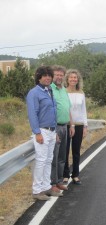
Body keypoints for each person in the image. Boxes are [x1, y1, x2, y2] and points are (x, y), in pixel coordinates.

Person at [26, 66, 62, 201]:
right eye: (44, 75)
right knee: (41, 161)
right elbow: (32, 114)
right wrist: (37, 132)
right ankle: (37, 190)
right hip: (42, 131)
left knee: (48, 160)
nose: (47, 78)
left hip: (52, 130)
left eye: (49, 75)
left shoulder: (50, 90)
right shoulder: (34, 93)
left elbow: (53, 112)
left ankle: (46, 187)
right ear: (39, 78)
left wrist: (56, 131)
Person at [50, 65, 75, 193]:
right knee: (54, 157)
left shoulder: (64, 90)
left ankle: (59, 181)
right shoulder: (50, 90)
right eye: (57, 75)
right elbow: (49, 112)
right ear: (52, 76)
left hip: (65, 126)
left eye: (61, 75)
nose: (59, 77)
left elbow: (68, 108)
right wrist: (53, 131)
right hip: (55, 127)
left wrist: (71, 125)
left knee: (62, 157)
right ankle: (52, 183)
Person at [63, 69, 88, 185]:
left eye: (75, 77)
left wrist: (85, 126)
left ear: (78, 80)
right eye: (71, 77)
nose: (73, 79)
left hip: (79, 125)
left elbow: (84, 110)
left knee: (76, 151)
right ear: (67, 79)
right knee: (65, 151)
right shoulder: (63, 92)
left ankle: (76, 174)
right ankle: (65, 175)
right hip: (66, 125)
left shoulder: (81, 93)